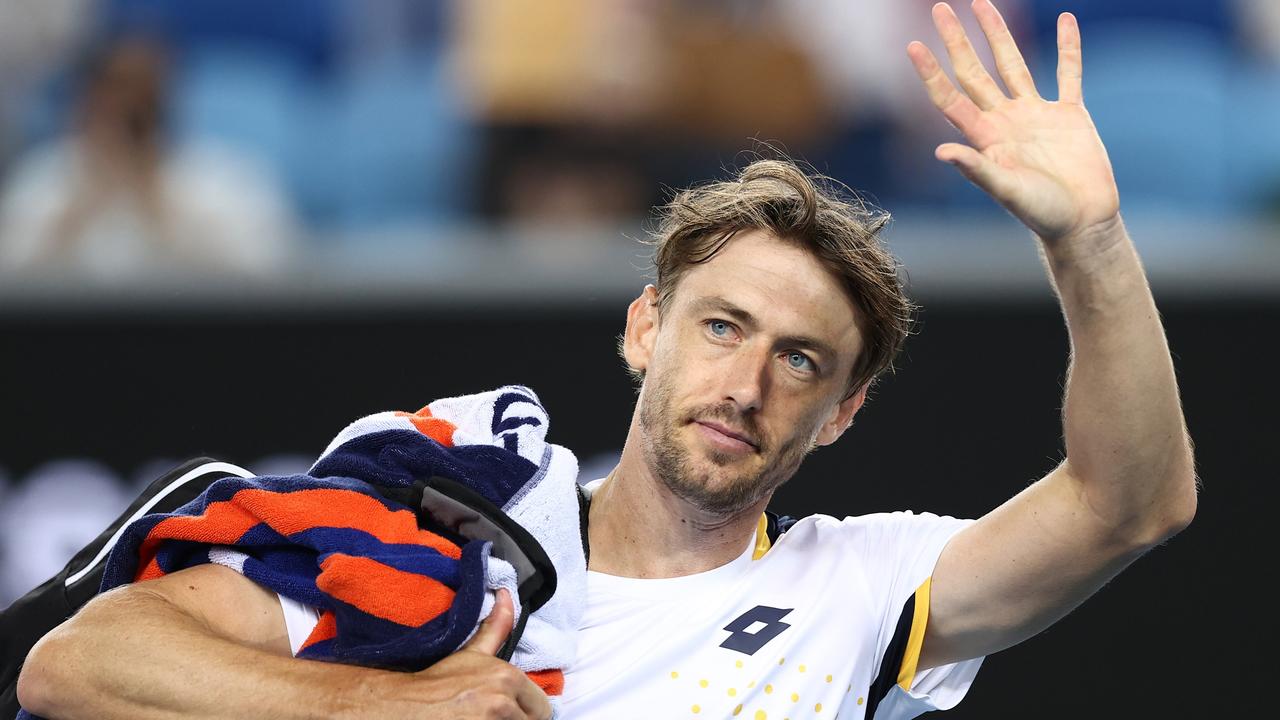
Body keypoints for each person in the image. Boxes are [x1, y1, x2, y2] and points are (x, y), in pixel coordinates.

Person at [15, 2, 1196, 718]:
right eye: (722, 327)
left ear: (840, 415)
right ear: (644, 331)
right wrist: (377, 704)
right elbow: (76, 665)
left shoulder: (861, 588)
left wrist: (1086, 240)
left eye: (800, 362)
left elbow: (1127, 507)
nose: (745, 383)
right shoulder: (456, 538)